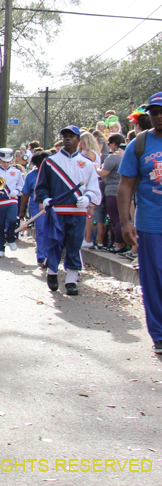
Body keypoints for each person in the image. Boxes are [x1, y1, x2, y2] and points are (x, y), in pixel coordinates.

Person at [118, 92, 162, 355]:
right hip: (151, 225)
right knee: (154, 279)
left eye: (161, 111)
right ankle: (159, 334)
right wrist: (125, 222)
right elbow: (125, 185)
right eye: (153, 112)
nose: (157, 116)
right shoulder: (141, 143)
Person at [34, 126, 101, 296]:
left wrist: (87, 198)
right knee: (55, 242)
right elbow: (41, 187)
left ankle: (71, 279)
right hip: (57, 211)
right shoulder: (50, 162)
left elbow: (93, 188)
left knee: (74, 244)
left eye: (71, 136)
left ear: (79, 140)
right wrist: (45, 199)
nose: (67, 139)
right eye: (65, 136)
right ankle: (52, 272)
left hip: (77, 212)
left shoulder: (87, 164)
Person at [0, 148, 24, 258]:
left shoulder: (17, 172)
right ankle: (0, 247)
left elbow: (21, 186)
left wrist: (17, 191)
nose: (5, 164)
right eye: (3, 161)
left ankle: (11, 237)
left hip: (11, 201)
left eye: (7, 161)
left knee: (13, 220)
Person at [98, 133, 127, 254]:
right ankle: (120, 243)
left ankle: (118, 244)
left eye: (109, 144)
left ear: (114, 144)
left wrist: (95, 168)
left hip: (112, 191)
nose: (108, 146)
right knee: (120, 218)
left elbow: (103, 173)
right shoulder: (126, 157)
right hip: (123, 190)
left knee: (116, 219)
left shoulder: (113, 157)